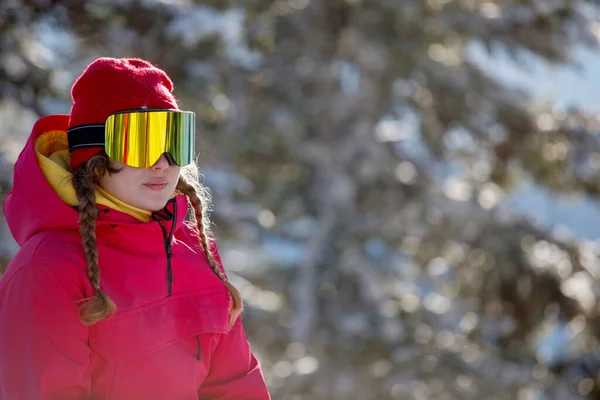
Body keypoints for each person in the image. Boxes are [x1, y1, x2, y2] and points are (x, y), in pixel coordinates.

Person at [0, 57, 271, 399]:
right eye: (140, 143)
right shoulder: (47, 271)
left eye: (174, 141)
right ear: (94, 158)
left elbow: (235, 385)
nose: (161, 162)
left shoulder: (194, 249)